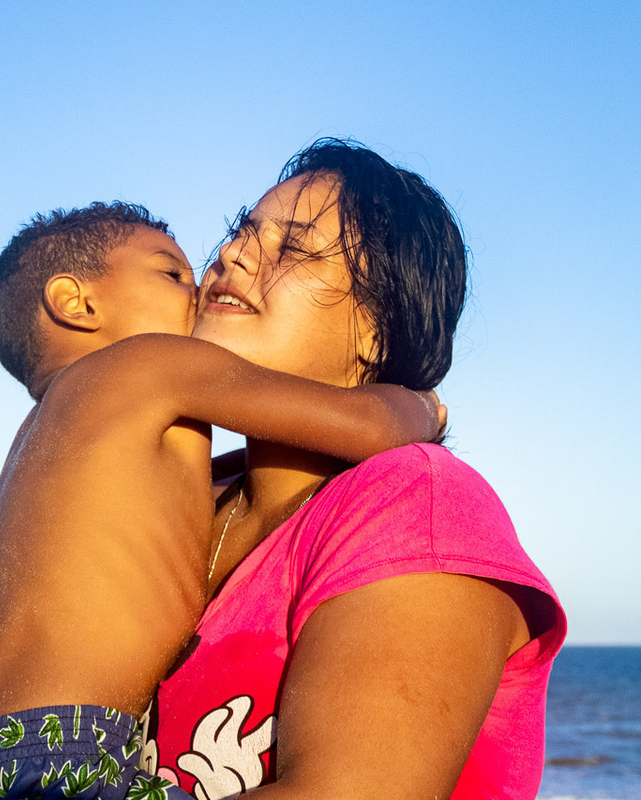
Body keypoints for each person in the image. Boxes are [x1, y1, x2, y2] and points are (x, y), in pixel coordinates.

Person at [0, 202, 446, 800]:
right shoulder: (151, 365)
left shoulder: (48, 441)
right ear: (77, 303)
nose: (204, 285)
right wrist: (419, 407)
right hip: (65, 754)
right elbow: (363, 427)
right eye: (172, 275)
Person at [139, 140, 567, 799]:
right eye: (241, 231)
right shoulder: (185, 500)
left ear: (375, 329)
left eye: (296, 247)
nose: (231, 254)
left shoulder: (415, 503)